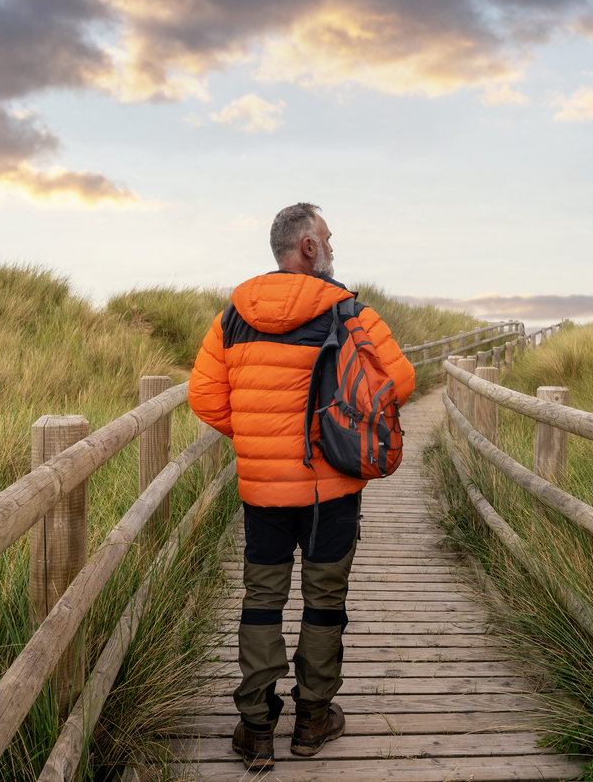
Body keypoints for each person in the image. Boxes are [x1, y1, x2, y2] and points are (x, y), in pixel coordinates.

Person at [188, 202, 416, 769]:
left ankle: (256, 728)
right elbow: (400, 381)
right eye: (329, 239)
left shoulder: (231, 317)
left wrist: (260, 436)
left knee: (262, 601)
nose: (335, 249)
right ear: (309, 247)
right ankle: (312, 720)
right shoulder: (348, 311)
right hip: (330, 488)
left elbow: (204, 397)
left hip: (261, 489)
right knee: (324, 600)